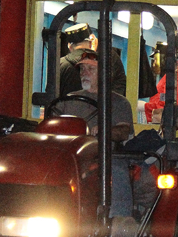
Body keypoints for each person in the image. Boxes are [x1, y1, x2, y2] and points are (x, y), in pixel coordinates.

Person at [51, 49, 135, 216]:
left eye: (91, 69)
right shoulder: (68, 100)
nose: (84, 73)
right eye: (82, 69)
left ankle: (120, 221)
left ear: (104, 74)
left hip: (104, 155)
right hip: (71, 155)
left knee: (117, 170)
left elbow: (123, 131)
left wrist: (105, 131)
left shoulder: (118, 102)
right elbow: (53, 124)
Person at [58, 22, 127, 97]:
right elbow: (119, 88)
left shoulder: (60, 64)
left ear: (70, 47)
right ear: (93, 41)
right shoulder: (108, 58)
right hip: (101, 107)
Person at [144, 43, 178, 125]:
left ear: (165, 58)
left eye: (156, 59)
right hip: (176, 125)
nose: (154, 64)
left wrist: (144, 106)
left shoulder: (177, 73)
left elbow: (169, 103)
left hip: (174, 127)